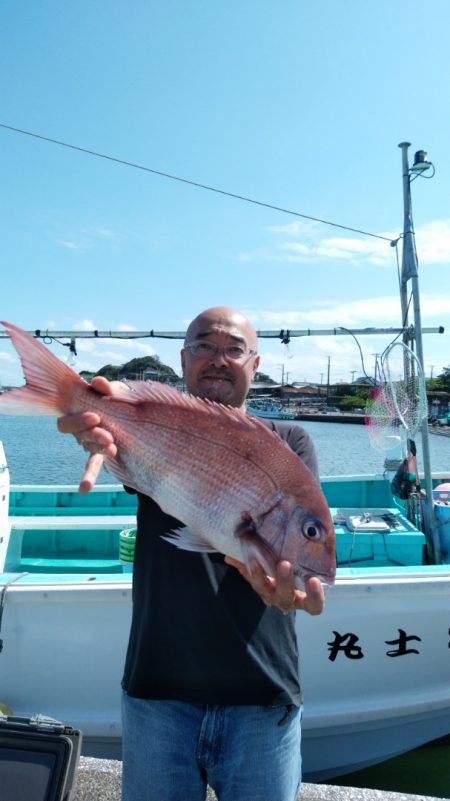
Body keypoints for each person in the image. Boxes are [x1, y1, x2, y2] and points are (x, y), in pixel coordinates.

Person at [58, 306, 325, 801]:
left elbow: (300, 549)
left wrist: (292, 590)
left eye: (233, 348)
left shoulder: (289, 442)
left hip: (263, 696)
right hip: (157, 692)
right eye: (203, 345)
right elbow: (118, 452)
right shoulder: (156, 426)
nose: (217, 358)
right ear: (183, 360)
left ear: (256, 363)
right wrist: (93, 433)